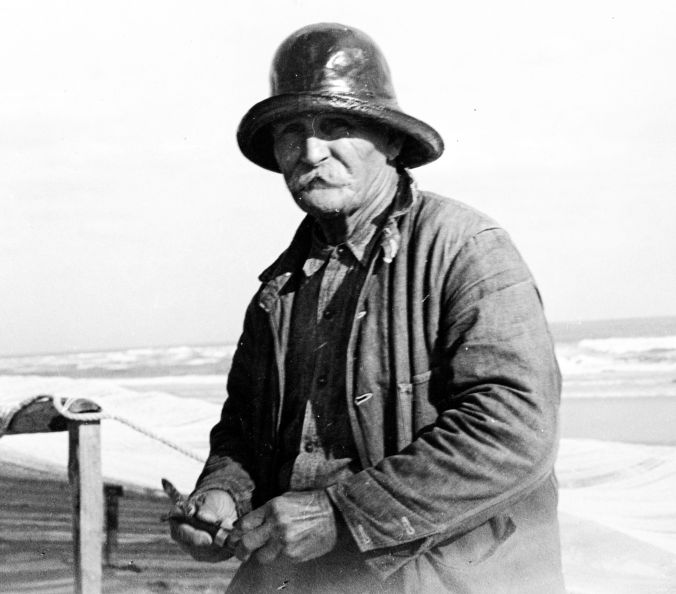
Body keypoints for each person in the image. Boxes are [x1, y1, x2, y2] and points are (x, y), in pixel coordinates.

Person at [169, 22, 565, 593]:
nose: (311, 151)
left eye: (337, 125)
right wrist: (223, 494)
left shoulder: (466, 247)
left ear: (392, 141)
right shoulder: (278, 289)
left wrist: (341, 513)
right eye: (292, 131)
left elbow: (513, 431)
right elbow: (241, 431)